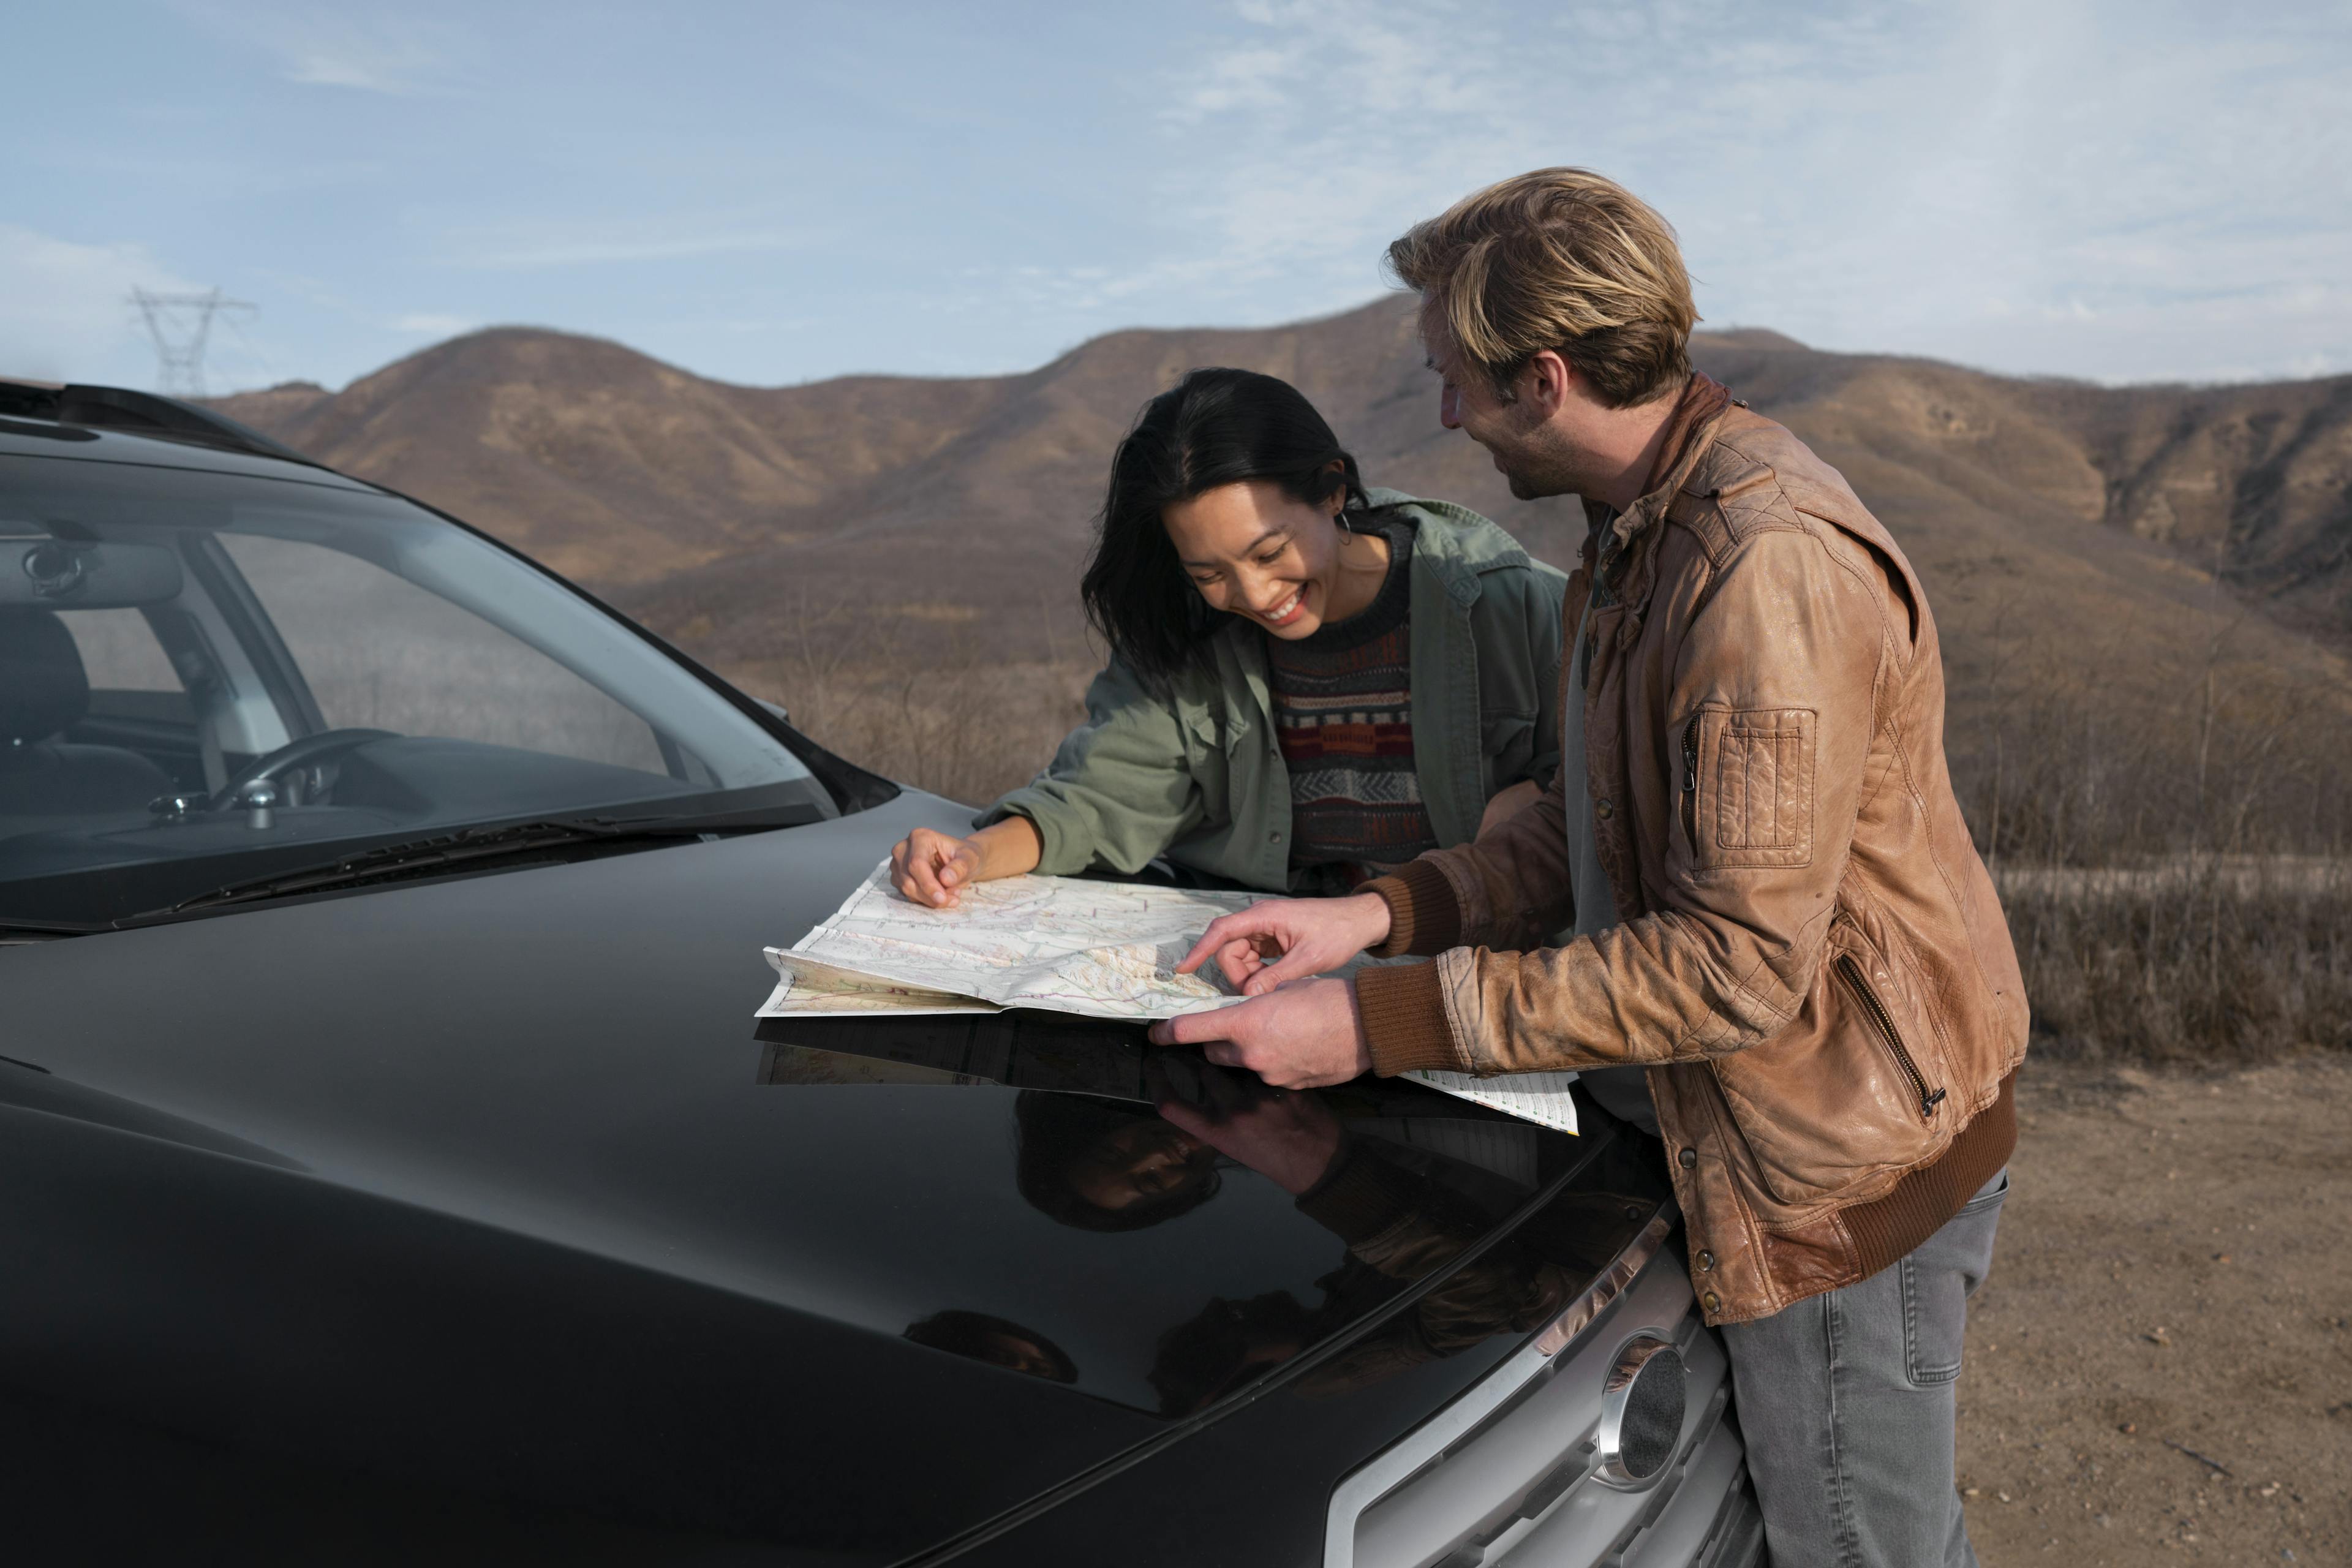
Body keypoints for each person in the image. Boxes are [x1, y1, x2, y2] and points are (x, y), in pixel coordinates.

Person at [1150, 169, 2027, 1567]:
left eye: (1453, 380)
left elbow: (1731, 966)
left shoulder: (1756, 567)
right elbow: (1588, 818)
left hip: (1836, 1171)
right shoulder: (1639, 541)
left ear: (1540, 378)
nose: (1440, 414)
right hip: (1751, 1131)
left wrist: (1377, 1019)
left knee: (1859, 1543)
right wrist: (1373, 916)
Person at [888, 367, 1567, 906]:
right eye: (1209, 571)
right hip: (1270, 968)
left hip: (1461, 982)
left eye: (1270, 553)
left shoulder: (1514, 608)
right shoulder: (1186, 634)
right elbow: (1098, 798)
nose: (1253, 595)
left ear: (1332, 491)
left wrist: (1540, 795)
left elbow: (1612, 795)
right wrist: (970, 858)